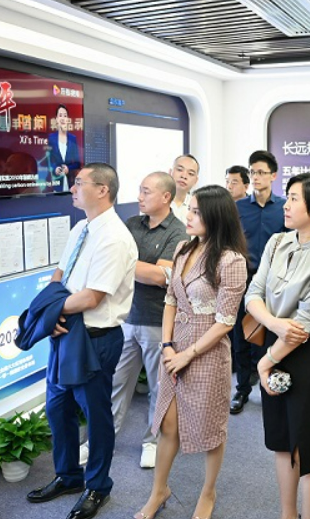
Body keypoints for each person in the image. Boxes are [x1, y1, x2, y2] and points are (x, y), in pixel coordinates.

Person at [26, 163, 137, 519]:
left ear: (102, 189)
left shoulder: (115, 237)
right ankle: (68, 475)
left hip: (95, 338)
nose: (71, 189)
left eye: (78, 183)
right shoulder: (81, 228)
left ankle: (97, 486)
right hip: (66, 331)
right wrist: (52, 314)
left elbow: (92, 297)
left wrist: (50, 313)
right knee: (57, 408)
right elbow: (61, 275)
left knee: (96, 415)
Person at [135, 185, 247, 519]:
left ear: (216, 216)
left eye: (197, 211)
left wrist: (188, 353)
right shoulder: (183, 248)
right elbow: (170, 299)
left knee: (211, 428)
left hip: (207, 350)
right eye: (191, 209)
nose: (189, 215)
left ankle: (208, 493)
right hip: (175, 345)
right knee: (168, 425)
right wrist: (168, 345)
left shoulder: (231, 260)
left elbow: (225, 322)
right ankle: (158, 491)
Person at [245, 172, 310, 519]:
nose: (285, 205)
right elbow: (253, 294)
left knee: (305, 449)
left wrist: (265, 362)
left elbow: (305, 324)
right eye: (287, 197)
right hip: (275, 343)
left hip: (306, 356)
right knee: (281, 442)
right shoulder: (277, 242)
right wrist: (274, 325)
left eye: (293, 199)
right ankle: (288, 514)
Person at [111, 172, 188, 469]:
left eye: (146, 191)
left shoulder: (178, 233)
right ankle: (103, 438)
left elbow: (160, 276)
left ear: (166, 197)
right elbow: (147, 271)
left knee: (159, 388)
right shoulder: (132, 223)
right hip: (126, 317)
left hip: (158, 322)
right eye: (140, 190)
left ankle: (152, 441)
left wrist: (122, 261)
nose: (139, 197)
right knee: (117, 383)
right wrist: (140, 268)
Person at [230, 150, 286, 415]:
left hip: (274, 282)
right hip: (243, 278)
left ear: (273, 175)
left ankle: (266, 385)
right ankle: (242, 388)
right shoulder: (239, 207)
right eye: (252, 172)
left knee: (269, 335)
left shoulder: (284, 207)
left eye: (261, 172)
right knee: (240, 335)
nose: (256, 177)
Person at [47, 104, 82, 192]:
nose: (62, 118)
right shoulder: (51, 138)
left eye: (65, 116)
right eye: (60, 115)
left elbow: (77, 163)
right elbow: (48, 161)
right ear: (56, 119)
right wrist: (55, 168)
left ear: (68, 119)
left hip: (70, 183)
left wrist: (68, 168)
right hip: (56, 183)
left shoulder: (72, 138)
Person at [169, 154, 200, 224]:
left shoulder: (199, 206)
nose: (184, 176)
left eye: (190, 173)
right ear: (170, 172)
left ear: (195, 181)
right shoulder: (156, 202)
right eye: (180, 170)